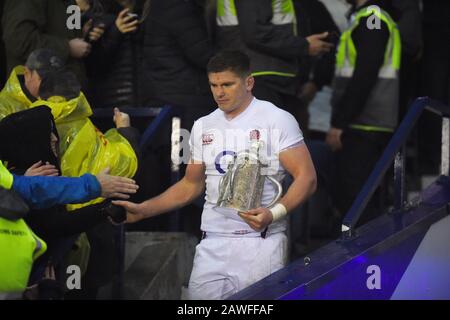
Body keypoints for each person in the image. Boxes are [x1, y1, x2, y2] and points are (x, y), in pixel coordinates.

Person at [114, 50, 317, 299]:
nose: (219, 92)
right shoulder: (203, 125)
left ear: (249, 82)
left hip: (260, 242)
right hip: (213, 241)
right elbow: (191, 185)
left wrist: (273, 214)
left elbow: (307, 178)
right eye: (214, 85)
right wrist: (144, 209)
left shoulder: (276, 120)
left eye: (227, 84)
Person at [326, 0, 401, 224]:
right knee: (355, 198)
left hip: (366, 121)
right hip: (365, 120)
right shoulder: (365, 17)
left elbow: (365, 74)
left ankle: (364, 257)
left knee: (357, 201)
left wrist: (340, 122)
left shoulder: (372, 18)